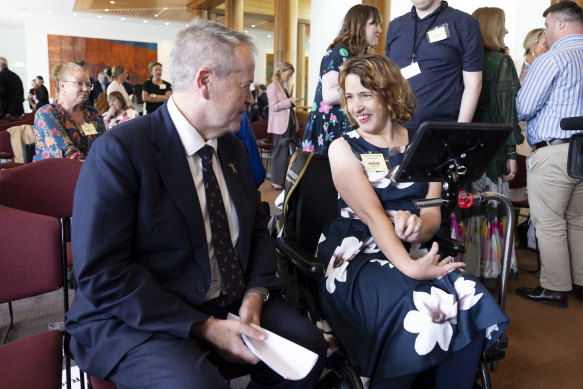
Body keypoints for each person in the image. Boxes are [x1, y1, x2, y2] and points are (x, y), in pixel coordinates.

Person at [66, 18, 326, 388]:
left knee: (309, 349)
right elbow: (103, 273)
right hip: (139, 314)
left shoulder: (232, 147)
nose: (253, 99)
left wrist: (255, 293)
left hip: (227, 299)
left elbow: (257, 231)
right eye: (245, 87)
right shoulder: (121, 152)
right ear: (204, 81)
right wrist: (204, 327)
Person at [317, 54, 509, 389]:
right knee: (419, 309)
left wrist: (419, 226)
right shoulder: (343, 147)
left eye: (366, 94)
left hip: (414, 247)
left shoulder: (426, 143)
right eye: (349, 96)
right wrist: (409, 266)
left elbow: (433, 214)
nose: (356, 106)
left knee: (471, 297)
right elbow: (373, 216)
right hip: (358, 252)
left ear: (389, 93)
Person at [516, 0, 583, 308]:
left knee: (550, 221)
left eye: (546, 26)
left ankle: (555, 289)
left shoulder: (553, 59)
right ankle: (581, 283)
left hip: (555, 150)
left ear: (559, 24)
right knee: (579, 219)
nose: (545, 32)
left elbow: (524, 106)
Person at [450, 7, 524, 285]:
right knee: (491, 208)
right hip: (492, 151)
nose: (505, 31)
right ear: (493, 28)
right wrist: (511, 153)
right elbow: (507, 114)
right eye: (503, 25)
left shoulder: (460, 60)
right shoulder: (501, 62)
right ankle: (489, 274)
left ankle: (464, 269)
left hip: (463, 149)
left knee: (466, 208)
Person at [385, 0, 483, 131]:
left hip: (442, 130)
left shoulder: (465, 23)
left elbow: (473, 84)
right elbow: (387, 81)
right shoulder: (395, 26)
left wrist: (459, 132)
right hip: (398, 130)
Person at [301, 4, 382, 154]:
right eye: (374, 24)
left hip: (345, 127)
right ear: (359, 25)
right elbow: (329, 96)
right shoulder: (338, 53)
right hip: (331, 129)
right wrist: (370, 88)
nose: (379, 30)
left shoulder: (357, 58)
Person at [33, 62, 105, 161]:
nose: (86, 89)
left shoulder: (92, 113)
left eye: (88, 85)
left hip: (92, 171)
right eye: (79, 83)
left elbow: (105, 146)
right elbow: (68, 155)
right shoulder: (47, 113)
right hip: (58, 173)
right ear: (62, 86)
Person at [267, 62, 301, 190]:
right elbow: (274, 106)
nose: (289, 77)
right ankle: (276, 181)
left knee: (286, 152)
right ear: (281, 72)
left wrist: (292, 102)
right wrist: (289, 101)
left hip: (288, 123)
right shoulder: (272, 86)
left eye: (291, 75)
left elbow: (284, 105)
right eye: (288, 74)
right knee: (279, 152)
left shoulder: (282, 87)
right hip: (280, 125)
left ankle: (282, 180)